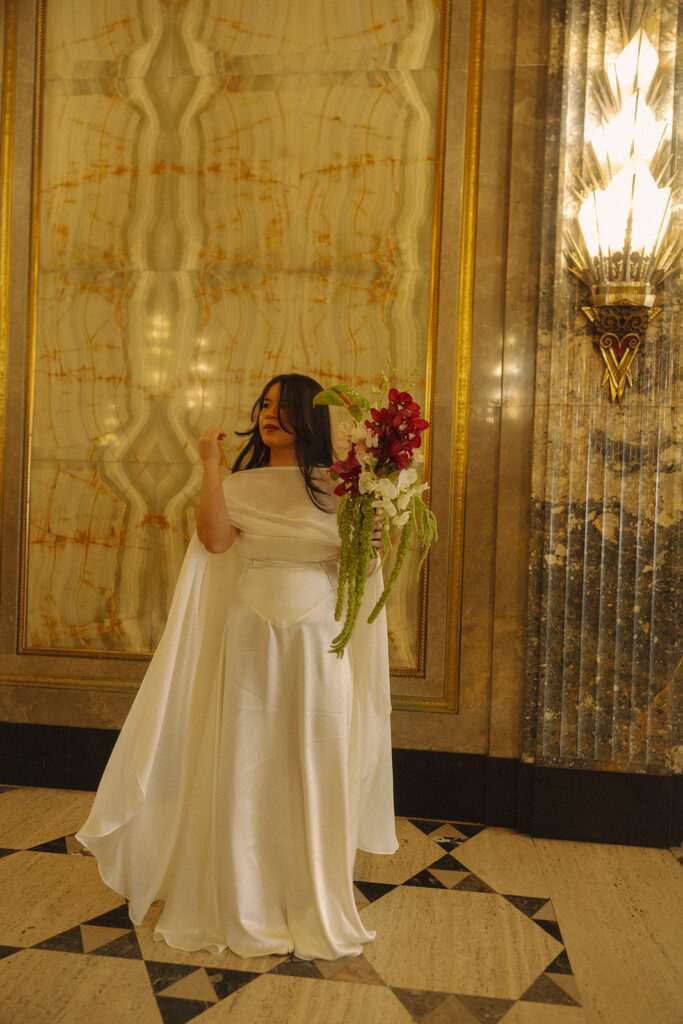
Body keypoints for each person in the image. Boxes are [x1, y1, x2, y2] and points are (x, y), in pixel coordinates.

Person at [76, 372, 398, 962]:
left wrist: (374, 532)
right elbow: (216, 541)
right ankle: (239, 897)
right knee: (246, 758)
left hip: (319, 639)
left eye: (282, 405)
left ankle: (309, 896)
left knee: (313, 754)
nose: (269, 414)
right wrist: (207, 463)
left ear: (308, 413)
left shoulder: (348, 485)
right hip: (250, 634)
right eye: (264, 405)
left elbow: (361, 562)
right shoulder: (240, 483)